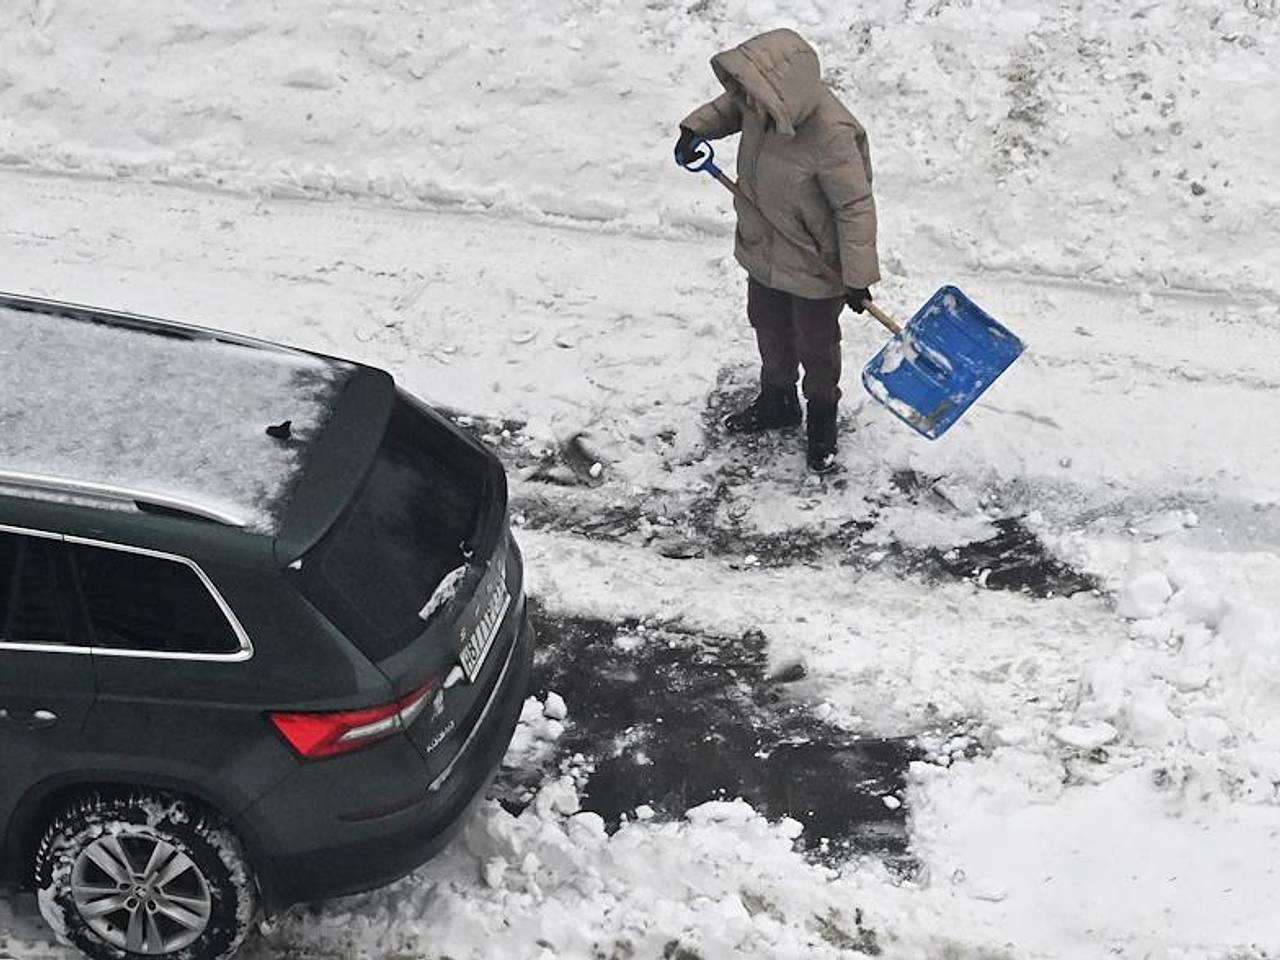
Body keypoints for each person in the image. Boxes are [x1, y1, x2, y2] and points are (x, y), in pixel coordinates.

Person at [675, 28, 880, 473]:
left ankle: (822, 420)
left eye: (755, 91)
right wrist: (694, 129)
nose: (748, 100)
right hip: (763, 245)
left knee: (817, 346)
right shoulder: (757, 103)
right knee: (768, 326)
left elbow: (855, 206)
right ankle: (778, 401)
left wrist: (857, 275)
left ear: (785, 92)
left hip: (815, 263)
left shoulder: (831, 134)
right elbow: (729, 106)